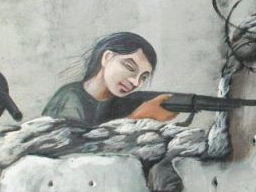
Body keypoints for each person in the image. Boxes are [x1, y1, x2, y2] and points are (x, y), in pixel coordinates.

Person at [43, 32, 177, 126]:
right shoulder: (69, 97)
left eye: (143, 77)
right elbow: (73, 149)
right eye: (129, 67)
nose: (136, 82)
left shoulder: (124, 102)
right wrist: (137, 118)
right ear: (107, 57)